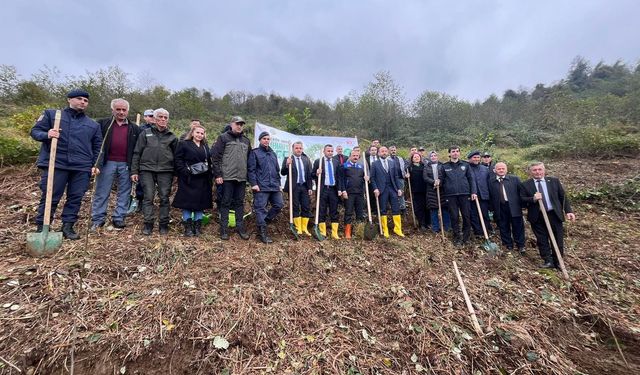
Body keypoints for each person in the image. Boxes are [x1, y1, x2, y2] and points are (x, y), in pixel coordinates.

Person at [30, 89, 102, 240]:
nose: (83, 102)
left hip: (81, 166)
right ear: (69, 99)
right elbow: (35, 131)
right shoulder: (52, 115)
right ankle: (43, 226)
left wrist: (95, 164)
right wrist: (47, 134)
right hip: (57, 163)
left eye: (86, 100)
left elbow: (97, 147)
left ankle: (68, 226)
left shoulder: (92, 125)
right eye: (79, 99)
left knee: (76, 197)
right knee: (51, 195)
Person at [91, 98, 140, 231]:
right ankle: (98, 219)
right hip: (107, 163)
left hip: (125, 164)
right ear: (112, 110)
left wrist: (135, 168)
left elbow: (137, 149)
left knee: (124, 192)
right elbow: (95, 144)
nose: (121, 112)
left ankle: (119, 218)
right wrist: (96, 163)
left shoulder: (134, 128)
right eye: (118, 109)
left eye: (124, 110)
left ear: (127, 111)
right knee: (102, 190)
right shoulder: (102, 124)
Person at [131, 108, 178, 235]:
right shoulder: (145, 133)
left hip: (166, 171)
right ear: (155, 119)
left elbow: (177, 157)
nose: (163, 119)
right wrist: (134, 171)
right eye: (160, 117)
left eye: (165, 117)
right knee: (148, 197)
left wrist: (175, 174)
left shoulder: (172, 136)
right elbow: (137, 152)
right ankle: (148, 224)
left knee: (164, 198)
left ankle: (163, 224)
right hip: (147, 170)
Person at [520, 162, 576, 269]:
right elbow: (522, 200)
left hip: (554, 215)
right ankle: (548, 260)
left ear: (544, 170)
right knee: (542, 239)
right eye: (534, 170)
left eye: (540, 169)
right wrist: (533, 198)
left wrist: (568, 211)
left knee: (557, 239)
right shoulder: (525, 184)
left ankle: (558, 261)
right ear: (530, 172)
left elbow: (563, 197)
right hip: (537, 216)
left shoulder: (554, 181)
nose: (537, 172)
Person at [211, 116, 251, 240]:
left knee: (239, 203)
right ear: (231, 124)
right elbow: (215, 158)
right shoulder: (223, 138)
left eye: (241, 124)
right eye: (237, 124)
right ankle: (223, 229)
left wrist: (249, 177)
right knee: (225, 202)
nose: (239, 126)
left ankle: (240, 228)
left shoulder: (246, 140)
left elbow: (249, 159)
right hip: (227, 177)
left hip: (241, 178)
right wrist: (218, 175)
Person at [172, 124, 212, 237]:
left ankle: (197, 227)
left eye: (202, 133)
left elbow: (208, 162)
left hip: (202, 179)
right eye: (197, 132)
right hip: (188, 179)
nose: (200, 135)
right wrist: (184, 171)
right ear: (192, 133)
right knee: (187, 204)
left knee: (200, 204)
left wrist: (210, 177)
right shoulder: (184, 144)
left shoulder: (205, 146)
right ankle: (188, 228)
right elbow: (178, 159)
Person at [248, 132, 284, 243]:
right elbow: (251, 170)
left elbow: (277, 170)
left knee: (279, 205)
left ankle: (264, 221)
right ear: (260, 140)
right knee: (260, 208)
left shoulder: (273, 154)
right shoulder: (255, 153)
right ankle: (262, 233)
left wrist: (278, 184)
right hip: (261, 186)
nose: (266, 140)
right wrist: (254, 184)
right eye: (264, 138)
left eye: (268, 139)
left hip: (274, 186)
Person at [441, 146, 476, 246]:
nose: (455, 153)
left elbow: (471, 179)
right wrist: (438, 182)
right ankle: (457, 237)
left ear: (459, 153)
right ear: (449, 154)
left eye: (457, 151)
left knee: (466, 216)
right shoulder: (444, 166)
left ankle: (466, 237)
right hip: (450, 195)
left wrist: (473, 192)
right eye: (453, 151)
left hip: (464, 194)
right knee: (454, 216)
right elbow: (442, 180)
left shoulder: (466, 165)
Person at [488, 162, 525, 253]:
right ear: (494, 170)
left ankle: (520, 245)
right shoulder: (491, 181)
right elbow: (490, 196)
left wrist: (523, 205)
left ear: (506, 169)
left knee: (518, 226)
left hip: (514, 206)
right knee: (503, 226)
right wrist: (492, 208)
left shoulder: (514, 179)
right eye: (499, 169)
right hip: (500, 207)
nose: (501, 170)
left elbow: (521, 192)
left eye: (503, 168)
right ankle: (508, 245)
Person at [370, 146, 405, 238]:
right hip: (382, 190)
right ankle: (385, 230)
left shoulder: (392, 163)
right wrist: (375, 188)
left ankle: (397, 229)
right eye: (382, 151)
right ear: (378, 153)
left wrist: (399, 188)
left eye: (385, 151)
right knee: (383, 210)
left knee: (396, 208)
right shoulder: (374, 164)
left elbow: (396, 177)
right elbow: (372, 178)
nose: (384, 153)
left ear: (387, 152)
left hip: (392, 188)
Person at [282, 141, 313, 236]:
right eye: (297, 148)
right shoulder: (288, 159)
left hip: (304, 186)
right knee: (295, 207)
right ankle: (298, 227)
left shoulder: (306, 159)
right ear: (293, 149)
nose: (299, 150)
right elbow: (283, 172)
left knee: (306, 207)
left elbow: (309, 175)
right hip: (293, 187)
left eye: (300, 148)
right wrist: (287, 165)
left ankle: (304, 228)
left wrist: (310, 187)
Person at [312, 144, 344, 239]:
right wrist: (317, 173)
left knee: (334, 211)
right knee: (322, 211)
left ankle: (334, 233)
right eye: (328, 151)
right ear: (324, 152)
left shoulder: (336, 162)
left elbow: (339, 177)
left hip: (333, 190)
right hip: (323, 190)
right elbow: (312, 175)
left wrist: (339, 189)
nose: (330, 153)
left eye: (331, 151)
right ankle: (323, 232)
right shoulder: (319, 162)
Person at [341, 149, 367, 238]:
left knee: (360, 212)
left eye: (357, 156)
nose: (355, 157)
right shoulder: (344, 166)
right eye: (354, 156)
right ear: (350, 156)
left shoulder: (361, 167)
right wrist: (343, 190)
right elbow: (342, 180)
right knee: (348, 212)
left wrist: (366, 178)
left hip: (359, 193)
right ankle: (347, 232)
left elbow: (363, 180)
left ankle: (358, 231)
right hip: (349, 193)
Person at [423, 151, 451, 233]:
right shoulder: (426, 166)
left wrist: (439, 182)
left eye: (435, 155)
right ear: (429, 157)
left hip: (442, 190)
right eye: (431, 156)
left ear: (437, 157)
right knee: (433, 210)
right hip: (431, 190)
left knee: (445, 209)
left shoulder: (442, 165)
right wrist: (433, 182)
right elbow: (425, 177)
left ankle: (447, 227)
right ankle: (435, 228)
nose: (433, 157)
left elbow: (444, 176)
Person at [468, 150, 493, 237]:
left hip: (483, 195)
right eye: (474, 157)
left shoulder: (484, 169)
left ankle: (485, 231)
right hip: (471, 196)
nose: (476, 159)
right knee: (474, 215)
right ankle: (477, 232)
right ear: (470, 159)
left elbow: (489, 182)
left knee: (485, 214)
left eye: (478, 157)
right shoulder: (467, 168)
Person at [134, 109, 156, 211]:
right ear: (145, 117)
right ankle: (140, 201)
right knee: (141, 183)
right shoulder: (140, 129)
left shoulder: (159, 128)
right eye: (150, 116)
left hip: (156, 161)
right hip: (143, 160)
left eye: (153, 116)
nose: (152, 118)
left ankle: (150, 202)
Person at [405, 152, 429, 230]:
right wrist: (406, 177)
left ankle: (428, 223)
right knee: (419, 207)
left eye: (418, 156)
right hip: (416, 190)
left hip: (425, 189)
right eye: (414, 157)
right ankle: (421, 223)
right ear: (412, 159)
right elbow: (407, 180)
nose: (416, 158)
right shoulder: (409, 168)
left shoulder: (424, 166)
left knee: (427, 206)